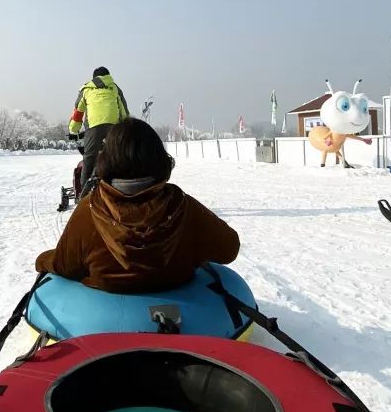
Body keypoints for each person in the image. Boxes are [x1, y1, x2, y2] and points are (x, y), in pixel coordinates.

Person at [36, 118, 240, 293]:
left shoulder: (89, 209)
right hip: (183, 312)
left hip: (106, 316)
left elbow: (64, 265)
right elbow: (229, 249)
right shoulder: (184, 206)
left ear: (106, 159)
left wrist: (42, 260)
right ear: (159, 157)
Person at [68, 66, 129, 195]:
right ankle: (123, 189)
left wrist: (73, 129)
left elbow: (78, 112)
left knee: (89, 158)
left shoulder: (86, 89)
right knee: (117, 156)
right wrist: (125, 127)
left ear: (94, 77)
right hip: (113, 127)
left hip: (94, 127)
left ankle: (83, 195)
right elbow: (124, 111)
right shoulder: (115, 88)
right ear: (108, 76)